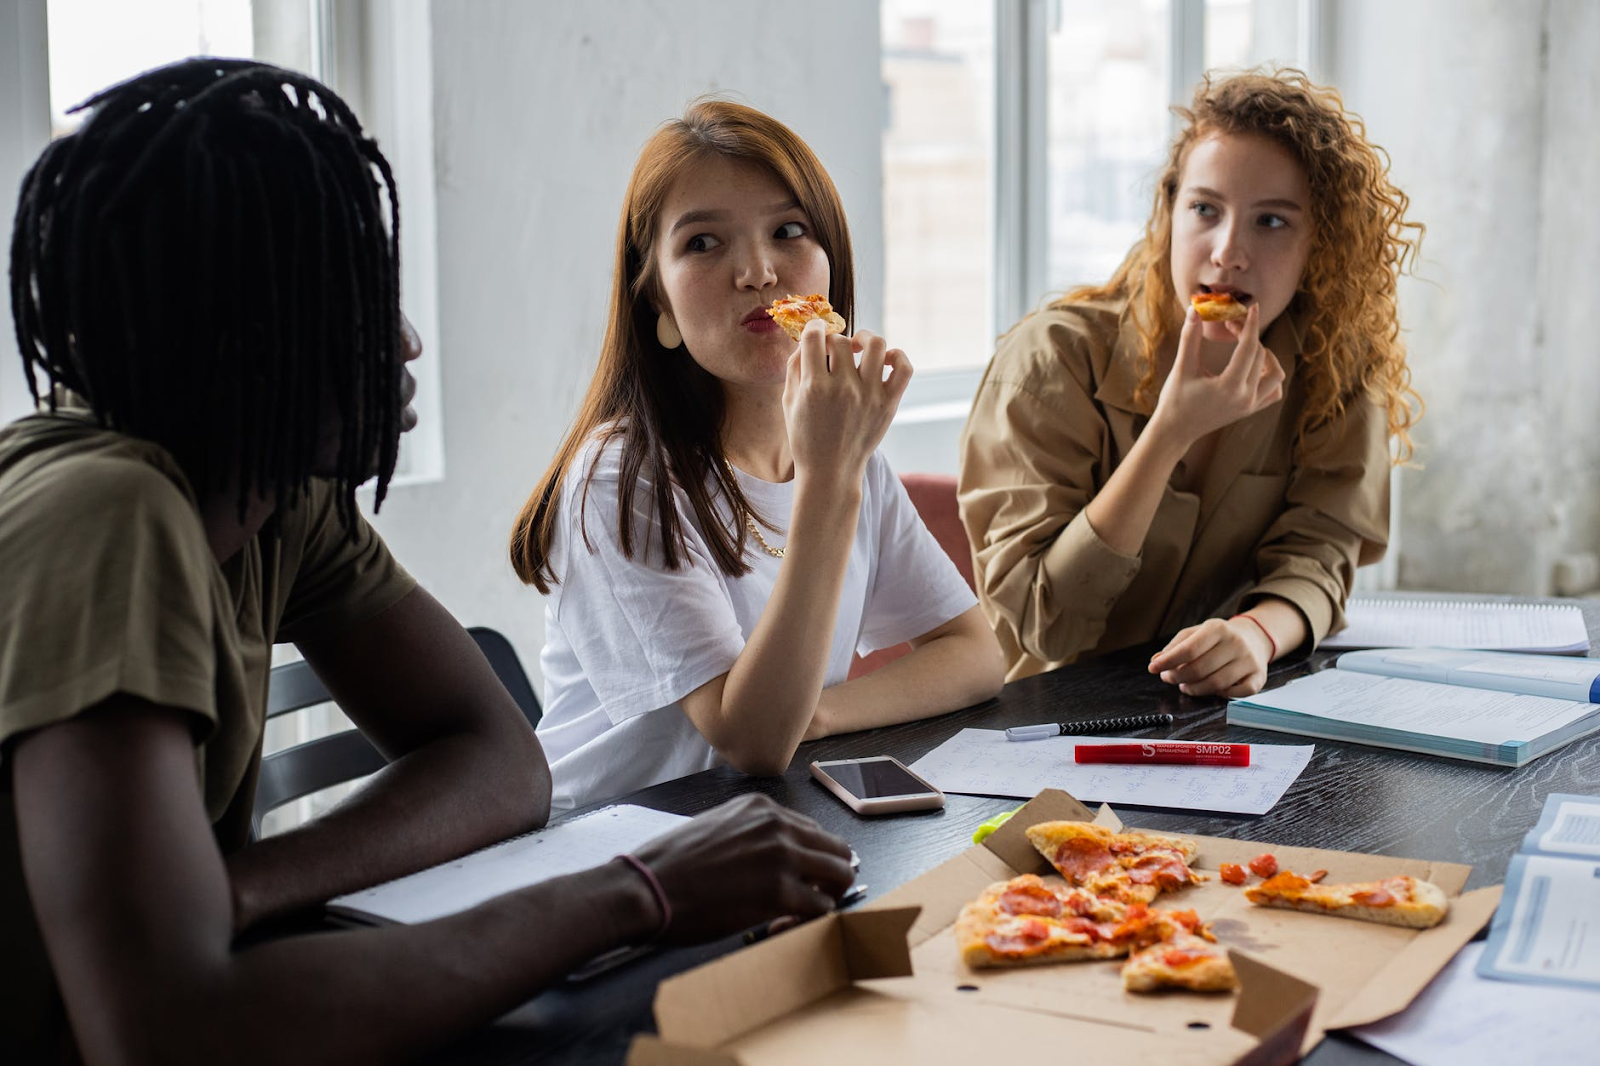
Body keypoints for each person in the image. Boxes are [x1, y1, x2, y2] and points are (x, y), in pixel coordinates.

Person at [2, 60, 854, 1065]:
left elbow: (499, 760)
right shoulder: (105, 511)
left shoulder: (274, 494)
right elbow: (169, 1028)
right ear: (234, 337)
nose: (402, 343)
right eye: (353, 306)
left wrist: (239, 887)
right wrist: (641, 891)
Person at [510, 99, 1005, 811]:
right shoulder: (620, 479)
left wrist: (821, 713)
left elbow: (976, 654)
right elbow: (750, 739)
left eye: (788, 231)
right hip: (615, 853)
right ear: (658, 301)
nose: (758, 271)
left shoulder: (844, 451)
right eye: (704, 244)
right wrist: (832, 478)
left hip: (768, 828)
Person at [958, 69, 1422, 697]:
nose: (1228, 251)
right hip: (1050, 719)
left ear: (1320, 245)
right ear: (1169, 213)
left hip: (1221, 710)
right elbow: (1048, 624)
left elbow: (1322, 552)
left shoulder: (1334, 361)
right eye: (1205, 209)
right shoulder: (1050, 361)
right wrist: (1171, 432)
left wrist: (1256, 635)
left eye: (1273, 222)